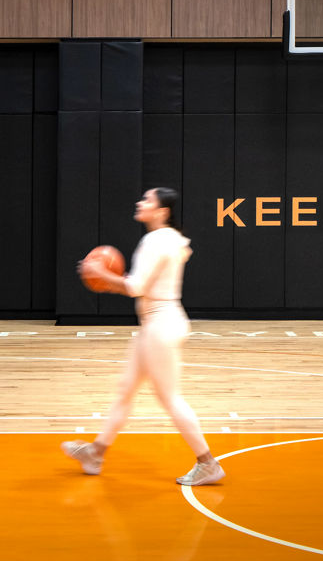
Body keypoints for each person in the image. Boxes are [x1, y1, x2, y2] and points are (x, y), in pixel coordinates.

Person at [61, 187, 225, 487]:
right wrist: (108, 282)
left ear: (162, 211)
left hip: (161, 325)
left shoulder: (155, 240)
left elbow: (136, 287)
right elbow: (141, 286)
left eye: (147, 200)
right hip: (161, 322)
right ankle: (95, 454)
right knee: (126, 390)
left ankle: (207, 463)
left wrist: (96, 270)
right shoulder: (172, 239)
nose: (140, 202)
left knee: (170, 398)